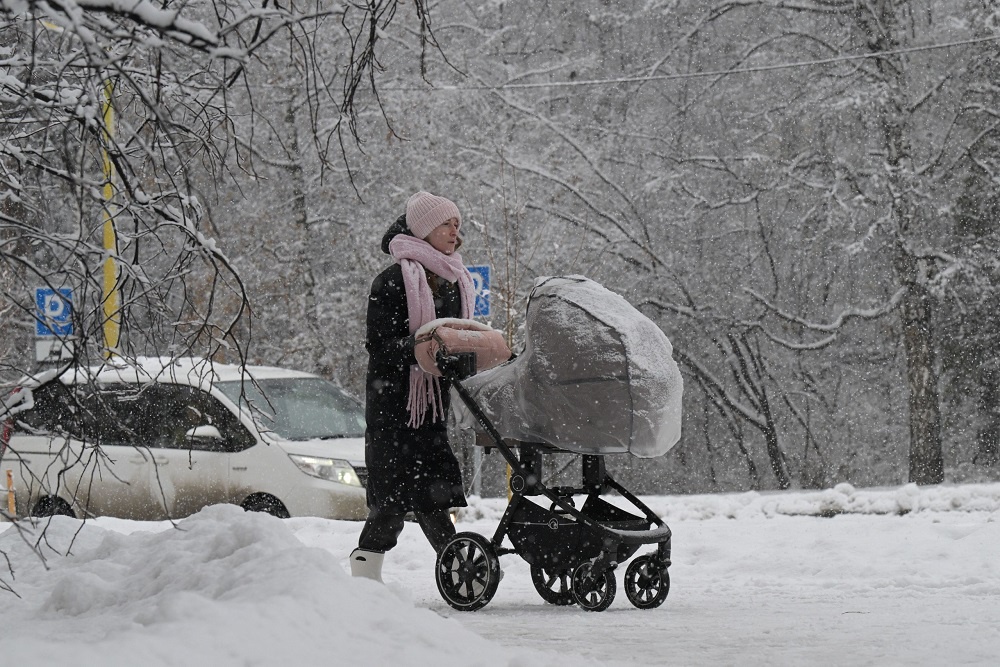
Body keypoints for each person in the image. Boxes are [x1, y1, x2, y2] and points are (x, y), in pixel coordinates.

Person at [350, 191, 475, 582]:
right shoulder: (391, 281)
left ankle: (460, 573)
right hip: (394, 406)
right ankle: (365, 579)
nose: (454, 231)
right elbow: (380, 347)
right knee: (391, 504)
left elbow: (459, 337)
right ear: (424, 230)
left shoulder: (455, 280)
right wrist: (426, 348)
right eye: (446, 224)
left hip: (432, 405)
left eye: (457, 224)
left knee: (432, 495)